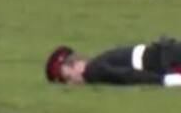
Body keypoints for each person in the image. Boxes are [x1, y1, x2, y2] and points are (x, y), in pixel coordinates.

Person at [45, 37, 181, 86]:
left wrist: (164, 80)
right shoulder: (99, 61)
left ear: (76, 65)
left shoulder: (92, 71)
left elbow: (127, 75)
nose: (72, 83)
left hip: (161, 61)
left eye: (69, 77)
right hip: (164, 53)